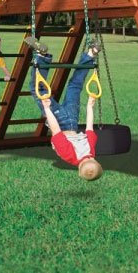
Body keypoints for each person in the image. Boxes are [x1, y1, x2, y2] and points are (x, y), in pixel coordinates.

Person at [25, 36, 103, 181]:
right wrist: (47, 109)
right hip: (59, 120)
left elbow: (90, 128)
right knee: (39, 90)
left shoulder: (91, 151)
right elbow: (56, 130)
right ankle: (42, 56)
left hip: (73, 119)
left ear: (96, 161)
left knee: (75, 85)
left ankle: (91, 53)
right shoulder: (70, 156)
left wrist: (90, 105)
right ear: (79, 169)